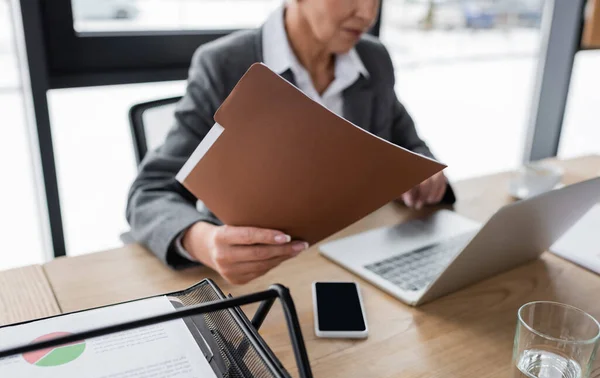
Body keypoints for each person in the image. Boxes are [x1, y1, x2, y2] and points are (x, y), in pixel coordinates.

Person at [126, 0, 455, 285]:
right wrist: (205, 242)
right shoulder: (223, 64)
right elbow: (149, 191)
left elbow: (410, 145)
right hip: (262, 278)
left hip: (354, 264)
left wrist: (424, 176)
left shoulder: (374, 59)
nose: (367, 12)